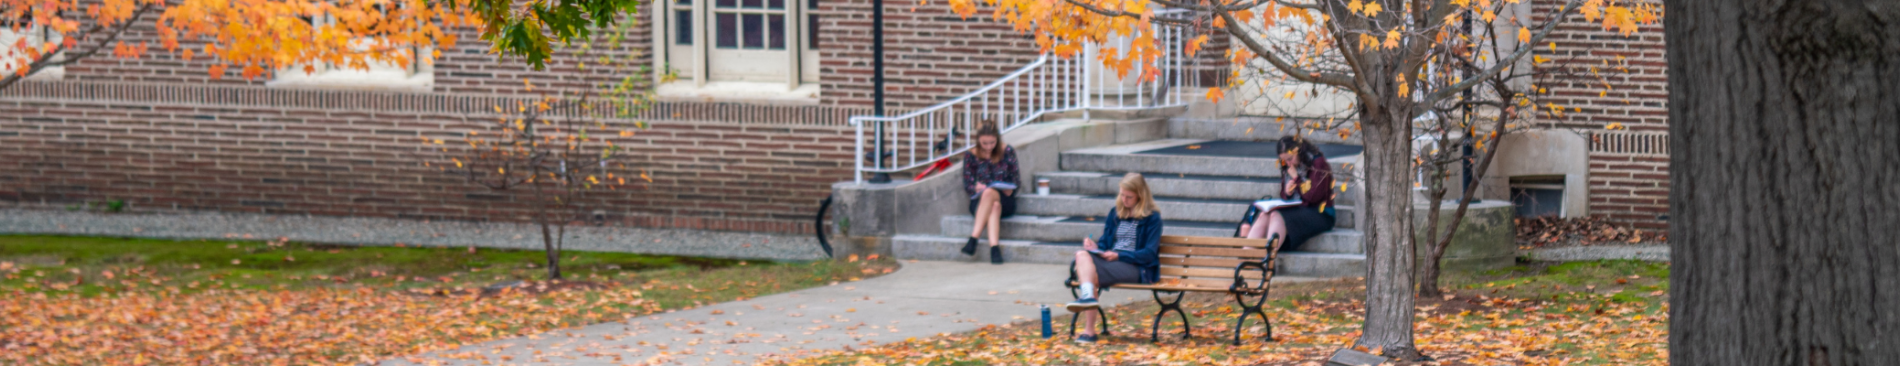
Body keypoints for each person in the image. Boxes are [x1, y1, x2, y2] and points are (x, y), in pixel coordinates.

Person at [1063, 173, 1162, 344]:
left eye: (1129, 196)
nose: (1124, 200)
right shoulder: (1115, 213)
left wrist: (1119, 255)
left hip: (1135, 267)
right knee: (1082, 254)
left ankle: (1089, 327)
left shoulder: (1152, 218)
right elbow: (1105, 243)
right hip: (1111, 261)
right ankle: (1088, 299)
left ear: (1140, 195)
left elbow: (1149, 254)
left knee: (1089, 273)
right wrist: (1095, 248)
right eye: (1122, 195)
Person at [1237, 135, 1336, 251]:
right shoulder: (1288, 165)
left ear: (1298, 151)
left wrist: (1297, 179)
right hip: (1299, 209)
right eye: (1284, 160)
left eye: (1290, 159)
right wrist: (1287, 192)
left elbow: (1314, 197)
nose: (1288, 163)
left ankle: (1267, 259)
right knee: (1265, 214)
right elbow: (1285, 198)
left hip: (1321, 213)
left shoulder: (1318, 163)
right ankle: (1246, 258)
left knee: (1277, 215)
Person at [960, 122, 1020, 264]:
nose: (988, 147)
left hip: (1005, 199)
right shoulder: (971, 155)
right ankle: (994, 249)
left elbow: (1016, 180)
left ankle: (973, 239)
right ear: (978, 140)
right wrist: (975, 187)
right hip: (980, 203)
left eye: (992, 143)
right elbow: (967, 183)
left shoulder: (1007, 151)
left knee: (991, 194)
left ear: (997, 139)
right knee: (993, 204)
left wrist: (1010, 188)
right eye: (984, 143)